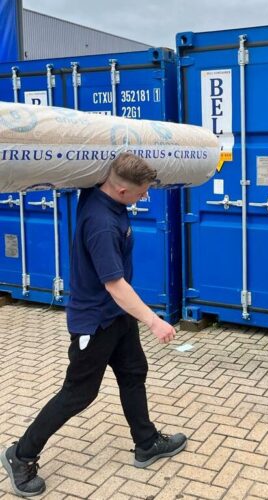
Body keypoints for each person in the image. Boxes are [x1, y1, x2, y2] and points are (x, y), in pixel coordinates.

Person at [1, 153, 187, 497]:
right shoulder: (102, 224)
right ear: (120, 190)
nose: (145, 196)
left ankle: (146, 442)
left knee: (134, 372)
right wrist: (153, 321)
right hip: (95, 321)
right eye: (141, 192)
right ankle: (20, 455)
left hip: (117, 316)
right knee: (79, 393)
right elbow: (115, 284)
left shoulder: (96, 189)